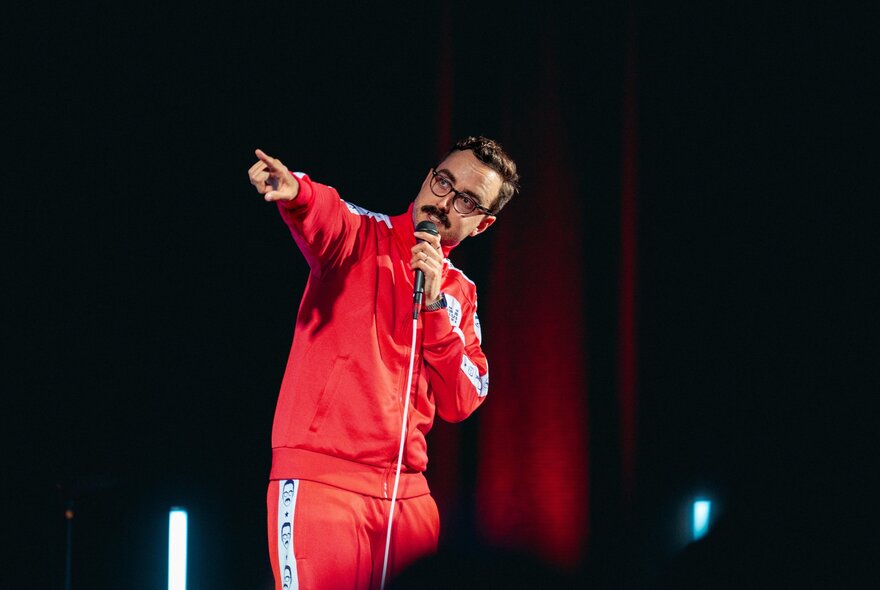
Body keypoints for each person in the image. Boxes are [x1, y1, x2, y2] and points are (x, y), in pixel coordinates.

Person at [247, 136, 519, 590]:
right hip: (324, 485)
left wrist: (434, 309)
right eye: (442, 181)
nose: (444, 201)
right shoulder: (361, 233)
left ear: (483, 225)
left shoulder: (460, 295)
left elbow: (463, 399)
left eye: (466, 200)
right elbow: (323, 211)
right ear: (427, 177)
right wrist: (295, 190)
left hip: (408, 499)